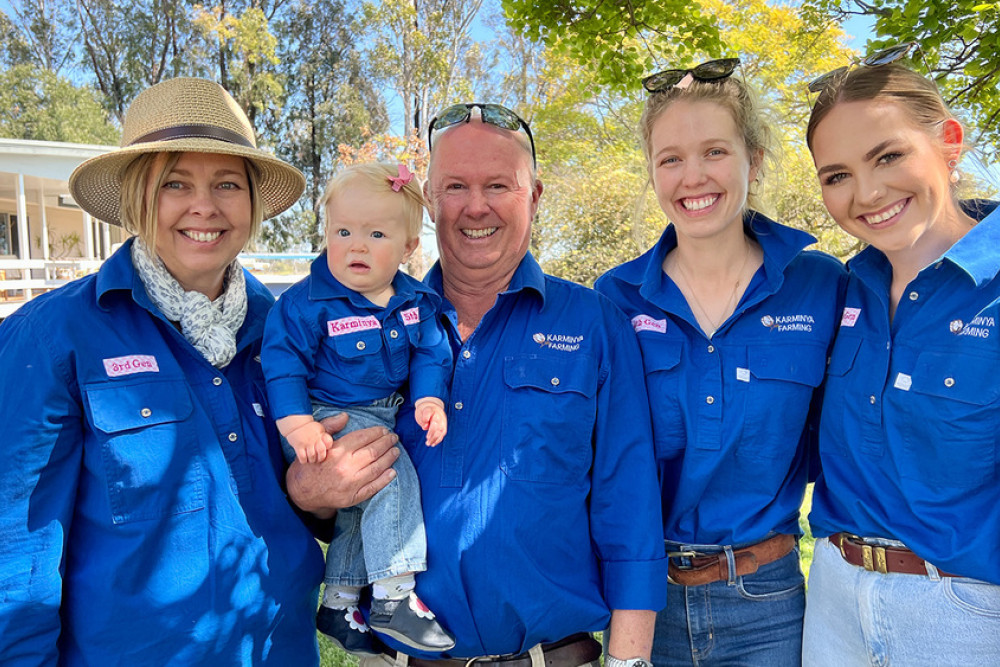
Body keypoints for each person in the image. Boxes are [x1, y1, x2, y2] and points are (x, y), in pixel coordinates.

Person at [0, 76, 398, 666]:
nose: (204, 207)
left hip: (278, 651)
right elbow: (17, 554)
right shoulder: (52, 336)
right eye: (175, 183)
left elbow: (317, 501)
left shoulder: (292, 328)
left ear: (253, 202)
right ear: (138, 195)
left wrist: (316, 495)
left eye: (227, 184)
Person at [288, 102, 668, 665]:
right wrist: (307, 491)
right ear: (429, 203)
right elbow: (320, 488)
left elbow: (630, 506)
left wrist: (629, 660)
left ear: (534, 195)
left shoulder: (594, 325)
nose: (476, 206)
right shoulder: (360, 326)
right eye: (455, 186)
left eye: (498, 185)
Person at [594, 60, 846, 665]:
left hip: (770, 599)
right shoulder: (613, 299)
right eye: (670, 158)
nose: (692, 176)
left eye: (714, 151)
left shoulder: (821, 285)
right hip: (642, 598)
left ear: (753, 160)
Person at [802, 48, 1000, 664]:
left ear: (948, 142)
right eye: (836, 175)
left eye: (888, 156)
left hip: (965, 614)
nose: (866, 192)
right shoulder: (836, 290)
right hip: (832, 599)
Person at [261, 162, 455, 654]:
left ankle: (340, 601)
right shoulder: (308, 303)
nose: (357, 245)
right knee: (390, 475)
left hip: (383, 408)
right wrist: (298, 424)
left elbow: (431, 352)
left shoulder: (416, 301)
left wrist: (429, 396)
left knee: (359, 503)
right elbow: (283, 364)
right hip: (323, 415)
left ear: (409, 247)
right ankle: (393, 596)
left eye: (376, 233)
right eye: (342, 231)